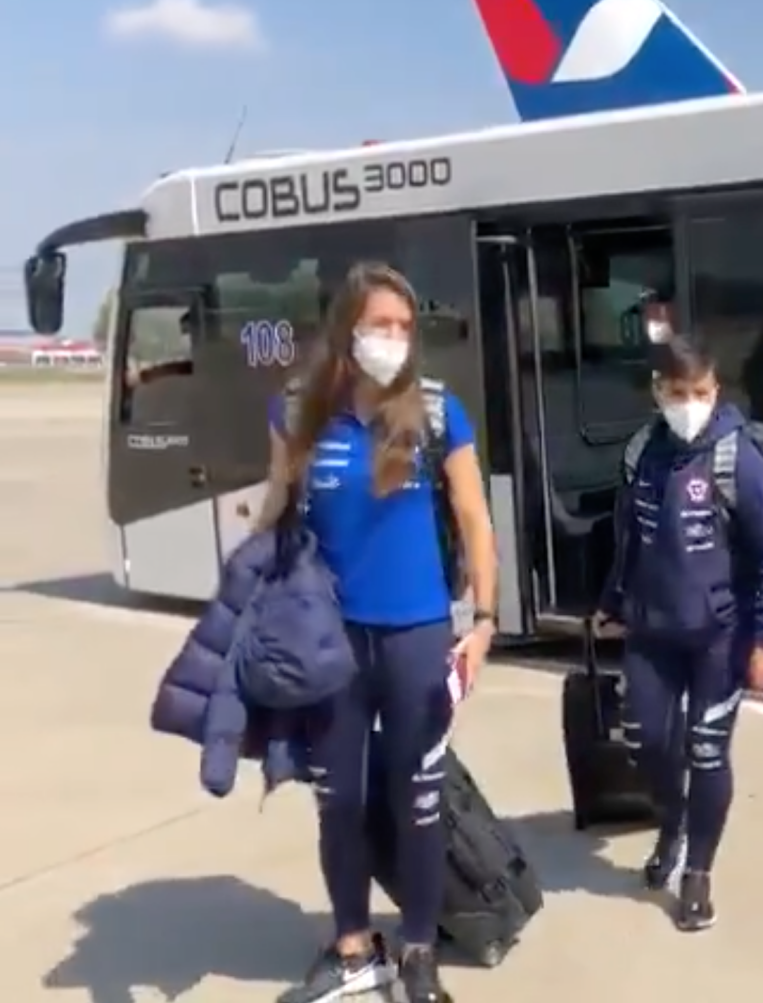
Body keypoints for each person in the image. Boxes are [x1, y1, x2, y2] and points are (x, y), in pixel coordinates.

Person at [260, 262, 498, 1003]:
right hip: (331, 646)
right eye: (378, 325)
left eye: (403, 327)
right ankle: (355, 945)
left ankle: (419, 951)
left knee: (416, 797)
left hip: (417, 638)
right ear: (346, 331)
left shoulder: (435, 410)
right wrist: (251, 604)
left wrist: (484, 621)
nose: (393, 339)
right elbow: (275, 511)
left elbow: (473, 518)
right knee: (341, 801)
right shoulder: (297, 410)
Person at [594, 329, 763, 931]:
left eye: (700, 391)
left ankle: (698, 872)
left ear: (716, 389)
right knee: (646, 742)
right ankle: (672, 821)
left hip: (719, 640)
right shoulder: (639, 453)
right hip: (651, 635)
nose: (689, 403)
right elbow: (627, 538)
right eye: (677, 391)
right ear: (658, 390)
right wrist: (610, 603)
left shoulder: (739, 458)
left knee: (706, 751)